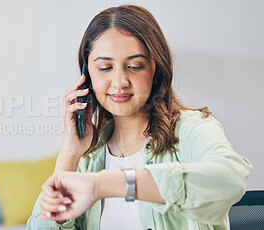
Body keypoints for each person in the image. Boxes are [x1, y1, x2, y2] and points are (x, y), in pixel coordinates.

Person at [27, 4, 252, 230]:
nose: (120, 82)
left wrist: (109, 184)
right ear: (88, 77)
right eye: (105, 67)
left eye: (134, 66)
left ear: (155, 68)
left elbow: (230, 179)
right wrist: (70, 154)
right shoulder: (90, 156)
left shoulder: (193, 129)